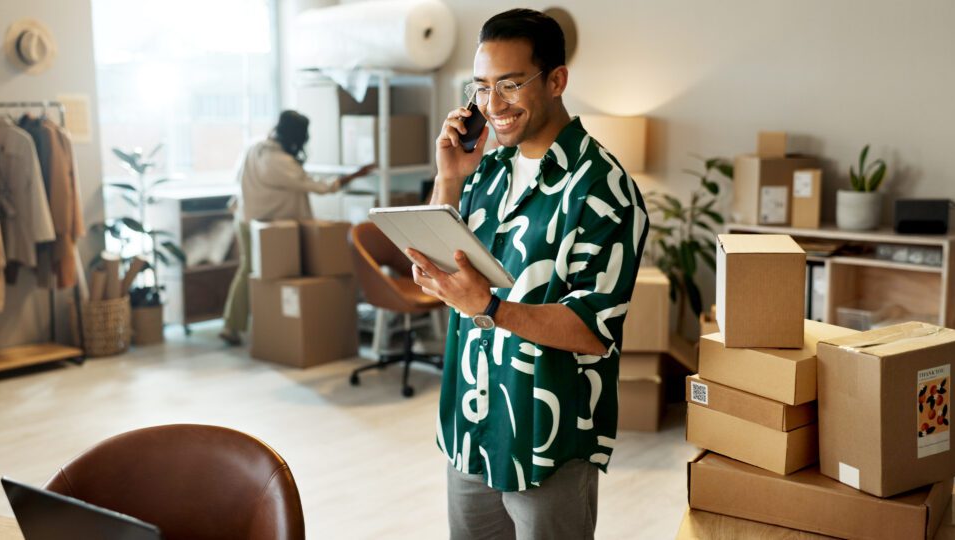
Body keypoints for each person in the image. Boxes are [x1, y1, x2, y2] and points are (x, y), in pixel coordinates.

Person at [407, 9, 649, 539]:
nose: (493, 106)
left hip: (549, 438)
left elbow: (593, 328)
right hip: (470, 423)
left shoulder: (604, 189)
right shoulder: (484, 171)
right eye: (482, 88)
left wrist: (491, 308)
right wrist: (448, 180)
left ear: (557, 80)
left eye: (510, 85)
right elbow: (434, 259)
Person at [220, 110, 373, 345]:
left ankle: (241, 325)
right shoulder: (280, 162)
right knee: (267, 276)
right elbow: (319, 187)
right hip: (269, 229)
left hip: (245, 219)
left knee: (249, 271)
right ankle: (244, 326)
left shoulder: (255, 147)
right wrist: (355, 175)